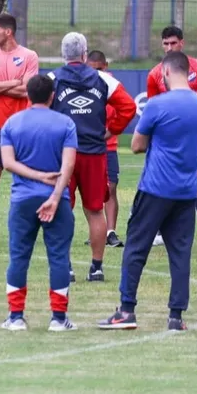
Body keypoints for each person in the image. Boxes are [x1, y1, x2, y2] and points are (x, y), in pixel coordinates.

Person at [99, 51, 197, 332]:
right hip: (186, 191)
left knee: (136, 248)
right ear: (188, 72)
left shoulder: (157, 105)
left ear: (164, 72)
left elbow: (137, 145)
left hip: (155, 188)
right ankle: (176, 316)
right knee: (180, 254)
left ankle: (126, 311)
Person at [49, 33, 134, 282]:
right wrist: (111, 131)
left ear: (63, 54)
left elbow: (36, 108)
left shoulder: (52, 79)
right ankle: (96, 268)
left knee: (63, 210)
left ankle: (67, 267)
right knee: (95, 211)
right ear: (85, 54)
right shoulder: (103, 79)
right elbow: (128, 107)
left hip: (63, 155)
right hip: (95, 153)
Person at [0, 75, 78, 332]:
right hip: (57, 200)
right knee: (58, 258)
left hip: (22, 200)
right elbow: (68, 164)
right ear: (52, 95)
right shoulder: (66, 123)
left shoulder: (12, 123)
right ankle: (57, 318)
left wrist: (34, 175)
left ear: (27, 95)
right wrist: (54, 194)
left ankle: (15, 317)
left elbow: (8, 163)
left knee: (19, 256)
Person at [146, 26, 197, 245]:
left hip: (196, 137)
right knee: (163, 179)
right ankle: (160, 232)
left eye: (173, 43)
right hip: (166, 139)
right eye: (165, 43)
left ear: (182, 43)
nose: (169, 47)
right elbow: (152, 106)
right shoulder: (154, 73)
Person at [0, 13, 39, 244]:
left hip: (22, 123)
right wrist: (14, 82)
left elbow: (27, 91)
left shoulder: (29, 56)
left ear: (8, 32)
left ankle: (25, 226)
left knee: (26, 175)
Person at [87, 50, 137, 248]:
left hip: (108, 145)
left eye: (99, 69)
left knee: (111, 188)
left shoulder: (112, 86)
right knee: (91, 190)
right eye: (92, 70)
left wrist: (108, 131)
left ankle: (110, 231)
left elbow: (122, 111)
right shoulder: (84, 84)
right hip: (88, 146)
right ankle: (96, 230)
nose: (96, 73)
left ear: (105, 66)